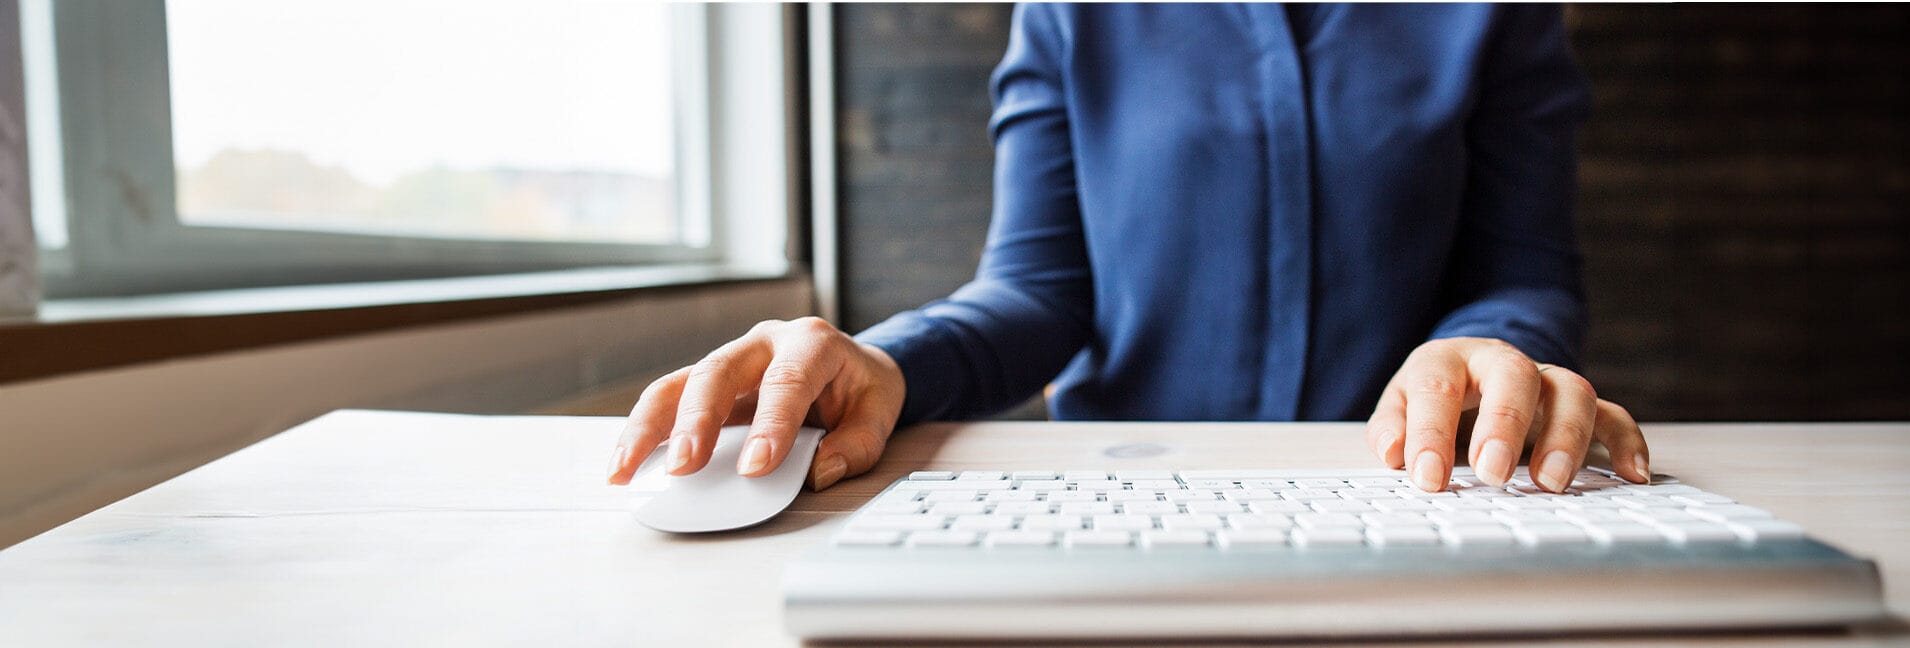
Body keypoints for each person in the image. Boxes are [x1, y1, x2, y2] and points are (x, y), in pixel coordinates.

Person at [607, 3, 1650, 495]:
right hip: (1121, 494)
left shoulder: (1497, 16)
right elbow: (1036, 291)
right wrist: (886, 361)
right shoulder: (1069, 14)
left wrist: (1478, 347)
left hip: (1418, 494)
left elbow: (1523, 273)